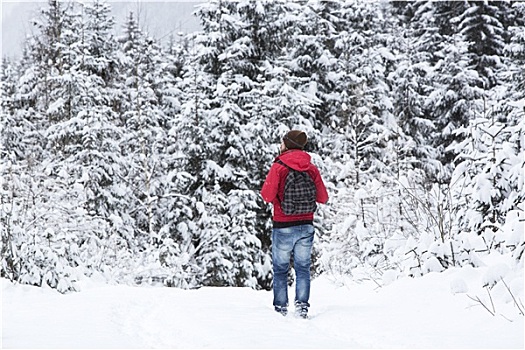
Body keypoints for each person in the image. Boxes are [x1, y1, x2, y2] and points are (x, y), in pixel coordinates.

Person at [260, 130, 329, 318]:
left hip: (283, 225)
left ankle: (281, 309)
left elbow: (266, 195)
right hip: (306, 225)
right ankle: (302, 308)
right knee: (303, 268)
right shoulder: (311, 168)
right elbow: (323, 198)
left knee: (281, 269)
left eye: (282, 142)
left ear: (287, 144)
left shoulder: (279, 166)